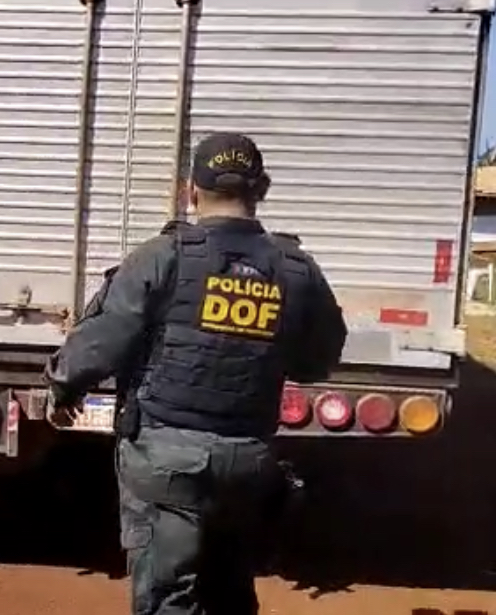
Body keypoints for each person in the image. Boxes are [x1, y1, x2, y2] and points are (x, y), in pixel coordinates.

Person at [43, 132, 347, 615]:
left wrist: (64, 386)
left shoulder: (163, 255)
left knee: (168, 598)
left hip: (165, 457)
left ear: (190, 191)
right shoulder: (296, 269)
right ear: (262, 189)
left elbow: (103, 339)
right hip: (247, 460)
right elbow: (318, 361)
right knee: (230, 594)